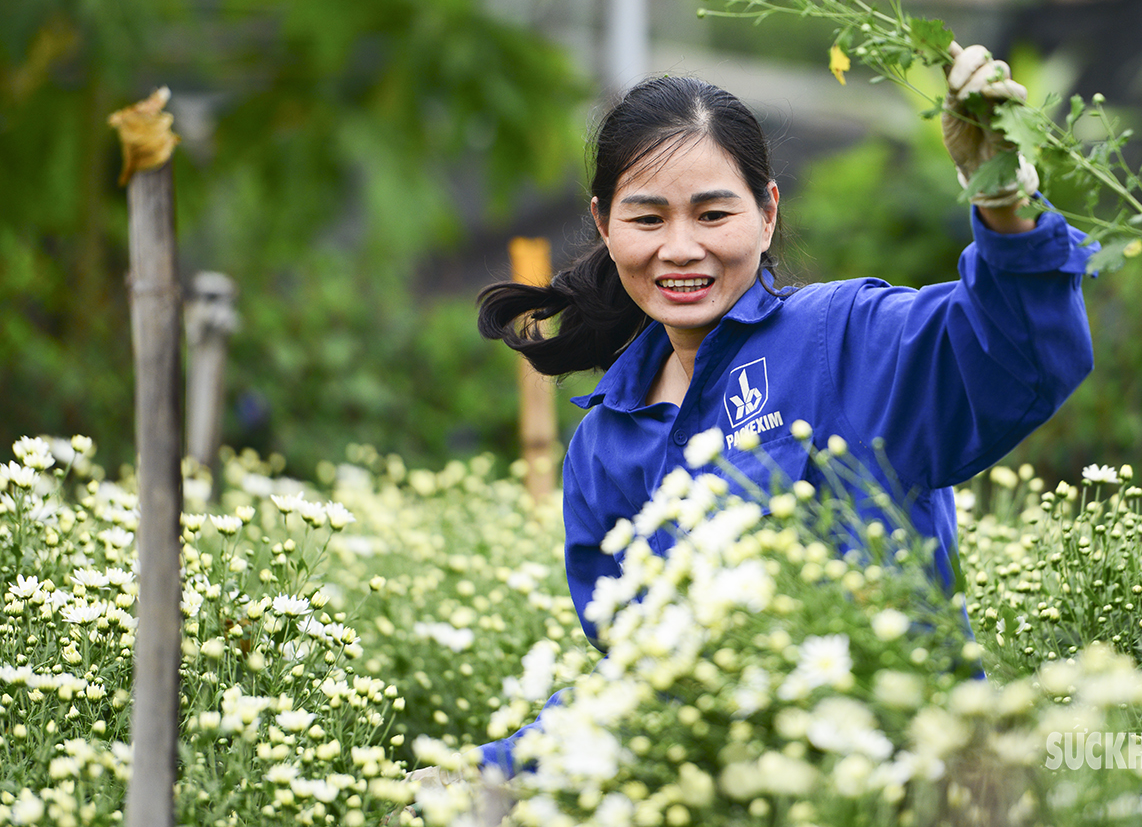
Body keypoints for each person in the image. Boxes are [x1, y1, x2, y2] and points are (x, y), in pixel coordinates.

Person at [454, 42, 1093, 784]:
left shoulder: (846, 336)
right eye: (647, 217)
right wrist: (489, 775)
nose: (680, 248)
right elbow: (642, 682)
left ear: (765, 213)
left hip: (912, 776)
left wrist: (1001, 196)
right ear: (604, 225)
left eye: (712, 212)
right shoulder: (605, 442)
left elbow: (1022, 356)